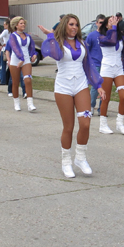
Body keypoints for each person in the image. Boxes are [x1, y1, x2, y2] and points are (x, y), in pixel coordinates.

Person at [38, 15, 105, 177]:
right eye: (71, 24)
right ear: (64, 26)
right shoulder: (58, 43)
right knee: (68, 127)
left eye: (76, 25)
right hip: (63, 88)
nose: (74, 27)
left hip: (81, 85)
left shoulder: (82, 43)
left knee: (85, 124)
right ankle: (66, 162)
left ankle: (80, 158)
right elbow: (54, 54)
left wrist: (98, 85)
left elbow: (88, 66)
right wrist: (51, 35)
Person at [96, 15, 124, 134]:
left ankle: (120, 123)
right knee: (105, 98)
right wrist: (113, 28)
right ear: (106, 25)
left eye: (115, 21)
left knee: (123, 96)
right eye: (110, 21)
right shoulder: (102, 37)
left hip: (118, 69)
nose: (113, 22)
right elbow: (111, 41)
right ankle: (103, 125)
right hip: (106, 69)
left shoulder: (121, 38)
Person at [5, 16, 37, 112]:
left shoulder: (28, 36)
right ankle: (16, 102)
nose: (23, 25)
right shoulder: (13, 36)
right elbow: (15, 49)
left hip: (26, 60)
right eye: (21, 23)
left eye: (24, 23)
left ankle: (30, 104)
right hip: (16, 60)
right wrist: (20, 58)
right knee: (15, 83)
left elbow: (32, 47)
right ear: (16, 25)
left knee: (28, 80)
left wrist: (34, 55)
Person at [86, 15, 106, 114]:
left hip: (106, 65)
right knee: (95, 87)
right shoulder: (91, 36)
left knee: (105, 87)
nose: (102, 24)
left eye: (104, 23)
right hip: (95, 65)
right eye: (100, 22)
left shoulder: (108, 35)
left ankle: (101, 108)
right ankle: (91, 106)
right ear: (97, 23)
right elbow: (86, 50)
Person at [0, 19, 11, 85]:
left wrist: (3, 43)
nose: (3, 25)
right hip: (10, 49)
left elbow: (0, 37)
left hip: (5, 49)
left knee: (3, 66)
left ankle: (3, 80)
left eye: (5, 24)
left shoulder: (5, 31)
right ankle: (9, 79)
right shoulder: (11, 31)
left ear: (7, 25)